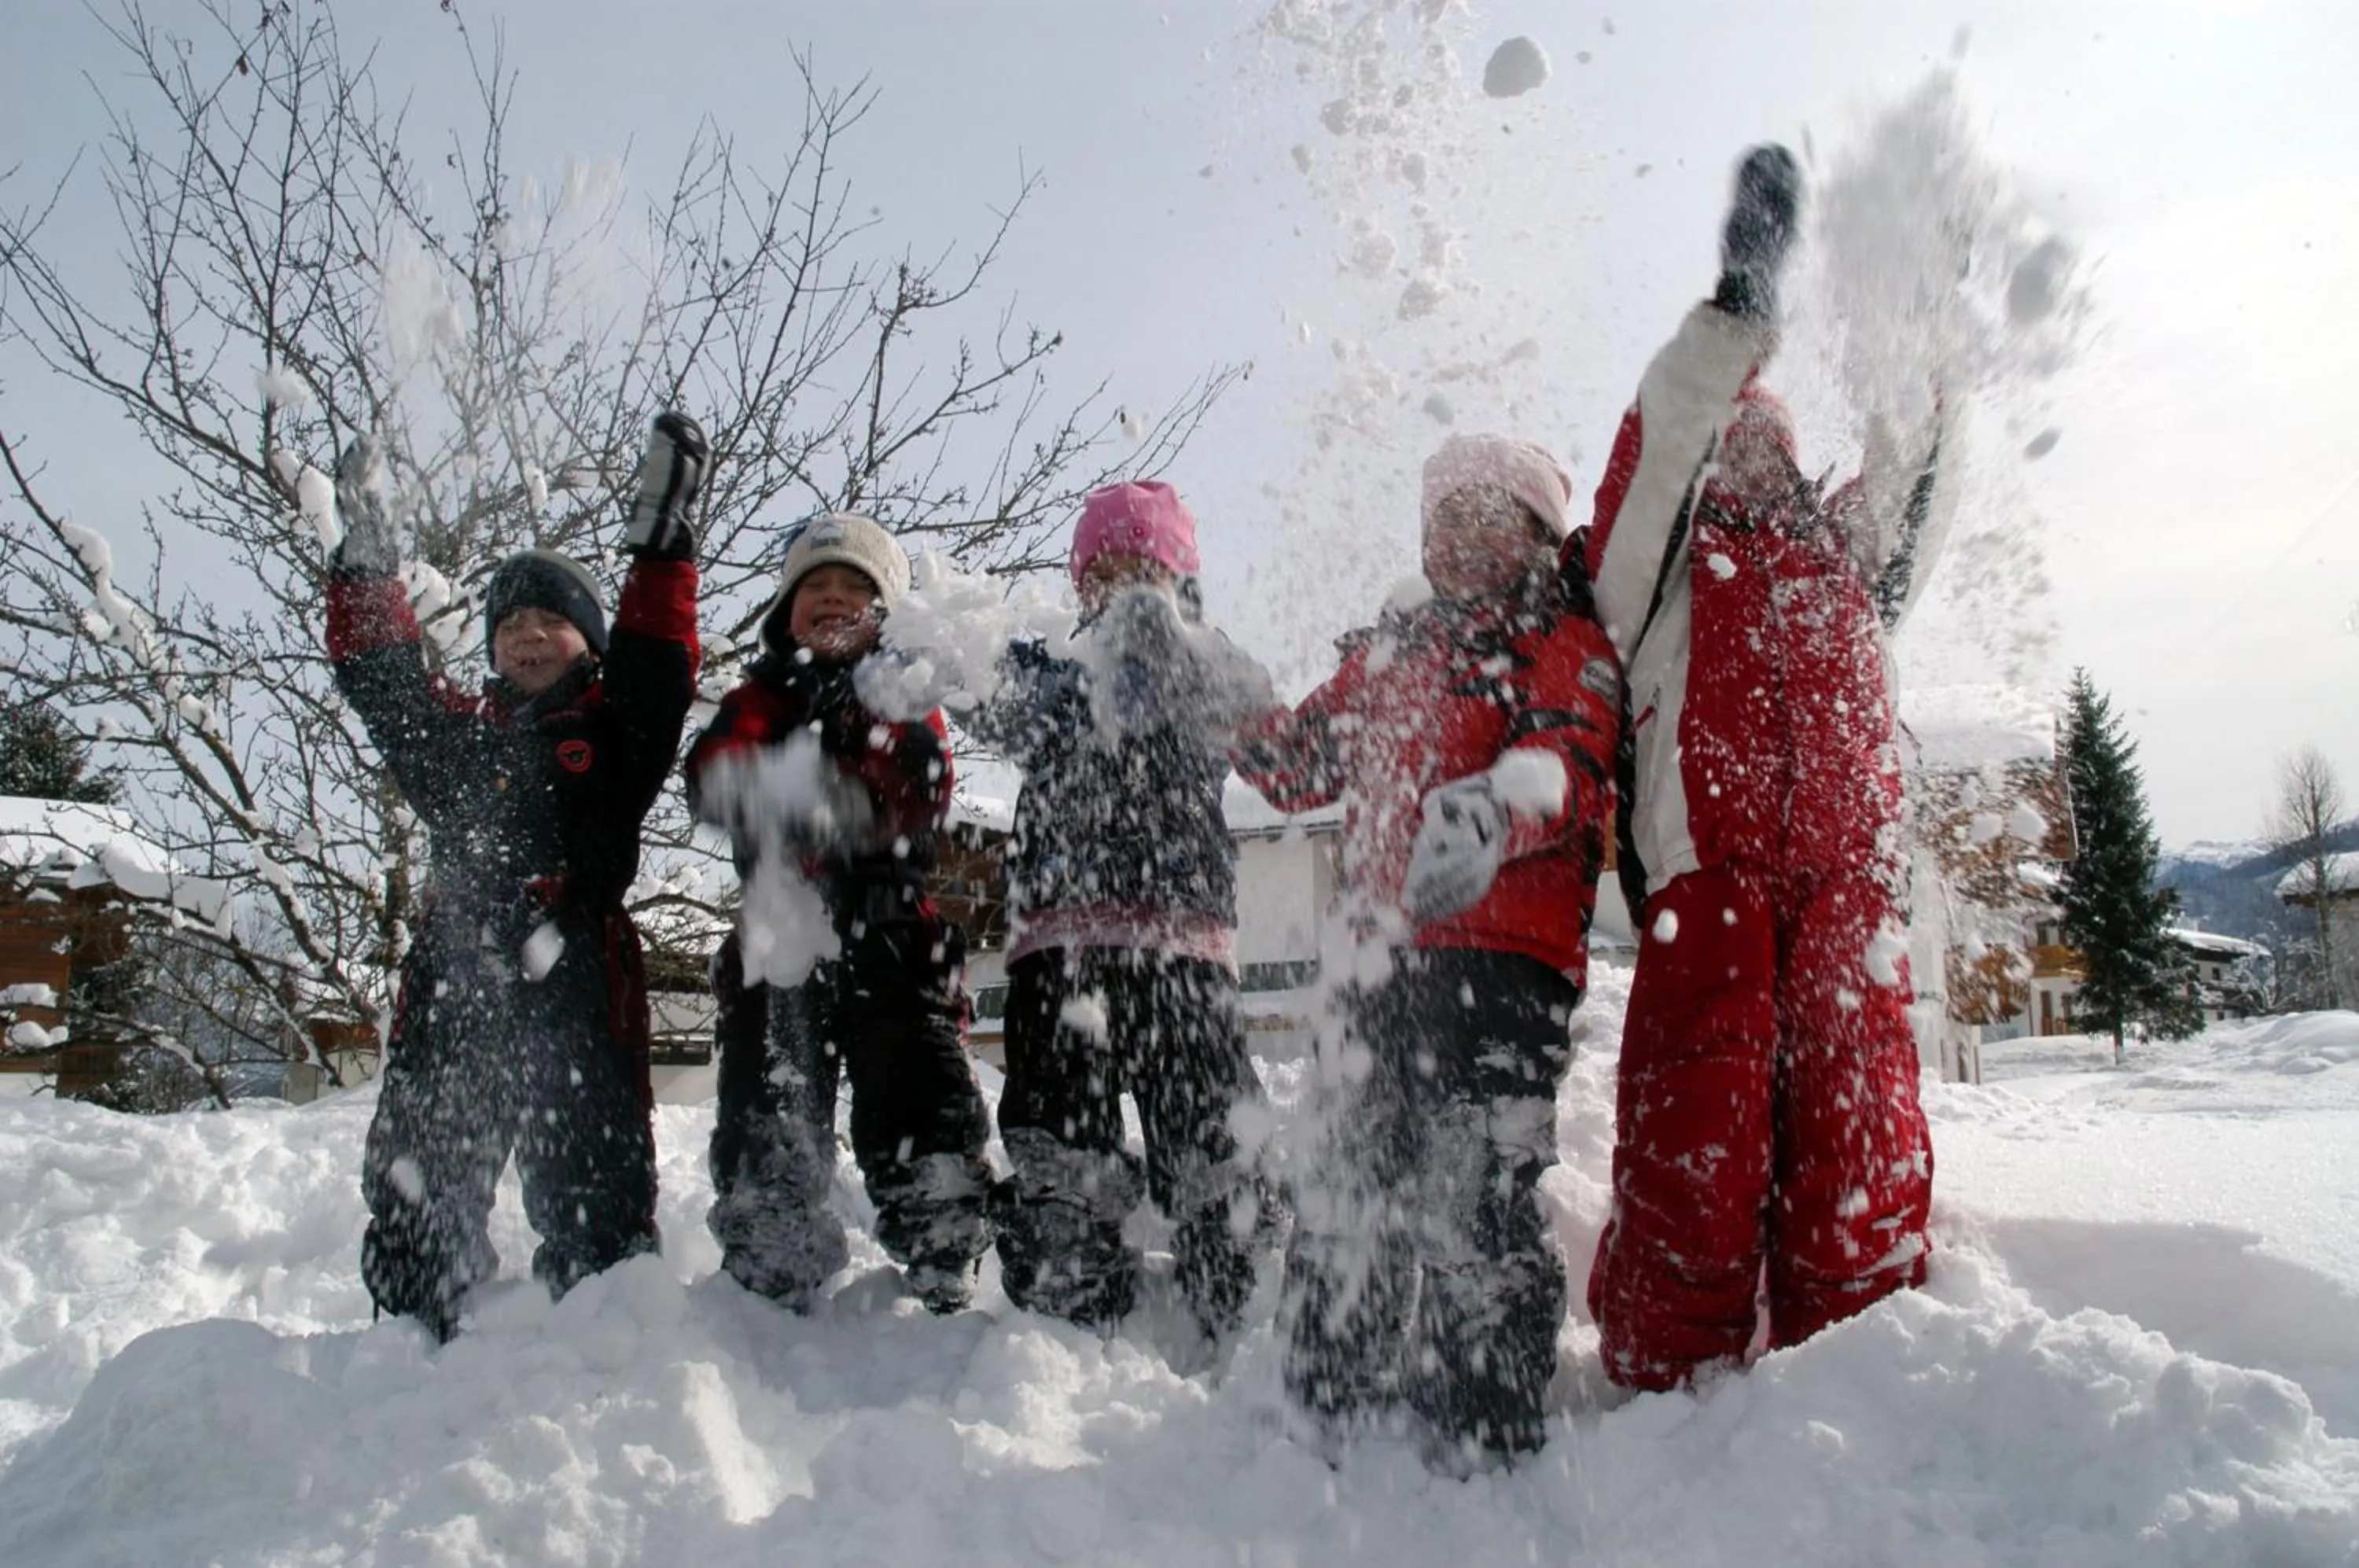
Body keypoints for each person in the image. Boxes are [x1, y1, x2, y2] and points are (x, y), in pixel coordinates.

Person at [1581, 145, 1950, 1393]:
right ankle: (1664, 1375)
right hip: (1715, 891)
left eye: (1768, 442)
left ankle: (1862, 1364)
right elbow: (1653, 464)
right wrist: (1738, 316)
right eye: (1729, 442)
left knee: (1861, 1134)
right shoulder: (1652, 580)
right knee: (1700, 1135)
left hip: (1850, 897)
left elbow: (1916, 481)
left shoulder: (1847, 560)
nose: (1749, 457)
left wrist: (1924, 337)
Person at [1234, 434, 1621, 1468]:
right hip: (1377, 969)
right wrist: (1219, 699)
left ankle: (1480, 1403)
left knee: (1474, 1188)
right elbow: (1292, 763)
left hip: (1502, 966)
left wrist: (1505, 805)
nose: (1463, 536)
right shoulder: (1388, 654)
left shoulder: (1561, 636)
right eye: (1446, 519)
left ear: (1541, 534)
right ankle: (1330, 1381)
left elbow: (1572, 750)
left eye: (1492, 515)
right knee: (1350, 1175)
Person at [326, 413, 706, 1342]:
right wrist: (367, 572)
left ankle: (603, 1346)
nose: (529, 637)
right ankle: (413, 1337)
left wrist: (661, 545)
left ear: (589, 642)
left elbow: (661, 669)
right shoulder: (459, 742)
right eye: (511, 625)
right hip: (459, 976)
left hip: (574, 976)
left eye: (554, 622)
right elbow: (386, 685)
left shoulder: (614, 737)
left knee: (594, 1190)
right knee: (423, 1170)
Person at [888, 480, 1283, 1345]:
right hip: (1059, 950)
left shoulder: (1209, 668)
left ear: (1182, 583)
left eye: (1148, 569)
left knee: (1210, 1122)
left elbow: (1279, 746)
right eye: (1106, 571)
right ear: (1081, 587)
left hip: (1183, 947)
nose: (1126, 587)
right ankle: (1069, 1278)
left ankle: (1238, 1273)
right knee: (1062, 1127)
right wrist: (924, 649)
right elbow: (971, 679)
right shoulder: (1056, 673)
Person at [686, 512, 995, 1315]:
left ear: (886, 610)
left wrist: (845, 800)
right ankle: (771, 1241)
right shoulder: (761, 695)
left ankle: (940, 1235)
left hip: (890, 927)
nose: (830, 600)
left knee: (917, 1087)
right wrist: (767, 789)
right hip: (783, 931)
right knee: (770, 1090)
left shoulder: (902, 689)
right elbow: (716, 770)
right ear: (785, 610)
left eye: (852, 589)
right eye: (813, 588)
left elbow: (921, 779)